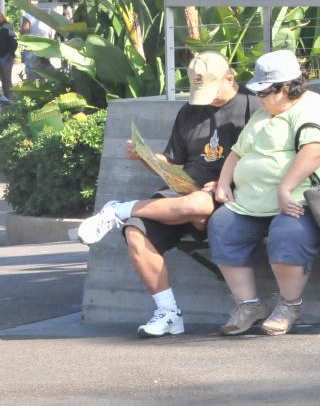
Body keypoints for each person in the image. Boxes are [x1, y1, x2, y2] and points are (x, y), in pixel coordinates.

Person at [75, 52, 257, 337]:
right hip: (183, 188)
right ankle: (169, 312)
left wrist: (230, 183)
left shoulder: (253, 106)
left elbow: (266, 161)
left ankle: (120, 210)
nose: (204, 99)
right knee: (137, 232)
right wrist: (146, 157)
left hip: (226, 194)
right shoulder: (190, 110)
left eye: (210, 91)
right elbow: (174, 160)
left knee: (198, 204)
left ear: (230, 79)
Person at [207, 49, 320, 336]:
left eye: (265, 92)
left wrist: (285, 188)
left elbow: (316, 150)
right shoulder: (265, 112)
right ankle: (248, 305)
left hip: (303, 198)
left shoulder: (313, 108)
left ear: (287, 87)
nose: (260, 98)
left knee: (287, 233)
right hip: (253, 201)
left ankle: (290, 305)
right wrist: (224, 182)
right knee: (223, 225)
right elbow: (238, 152)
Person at [0, 13, 17, 102]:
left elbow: (14, 42)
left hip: (5, 57)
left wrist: (10, 54)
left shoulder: (7, 27)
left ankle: (10, 100)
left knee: (6, 80)